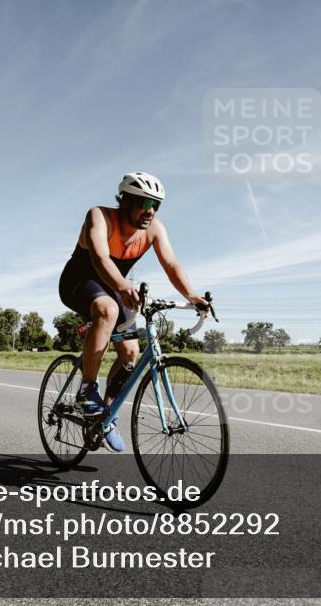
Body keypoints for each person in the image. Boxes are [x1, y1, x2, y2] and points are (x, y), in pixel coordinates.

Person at [58, 172, 209, 452]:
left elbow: (171, 263)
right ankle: (87, 389)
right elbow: (99, 258)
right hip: (78, 282)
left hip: (114, 287)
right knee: (107, 308)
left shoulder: (154, 229)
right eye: (144, 203)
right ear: (125, 200)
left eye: (156, 205)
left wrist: (190, 295)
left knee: (130, 353)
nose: (150, 211)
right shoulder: (99, 216)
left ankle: (105, 416)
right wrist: (123, 286)